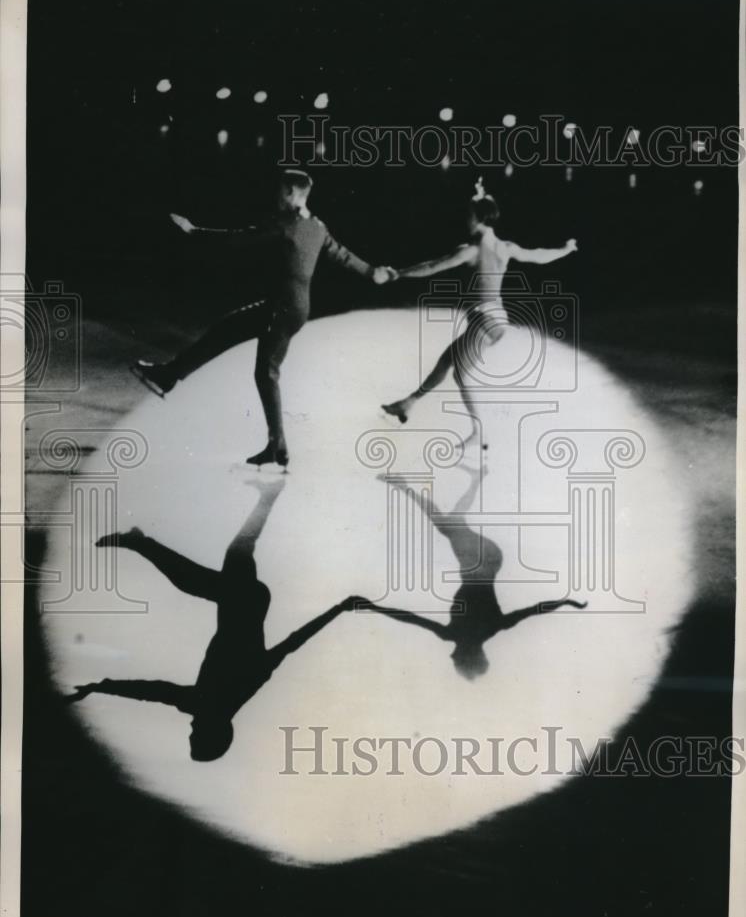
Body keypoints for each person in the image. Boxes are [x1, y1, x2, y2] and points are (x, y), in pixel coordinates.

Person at [66, 477, 358, 761]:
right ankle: (141, 542)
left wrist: (100, 687)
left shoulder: (205, 702)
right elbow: (294, 643)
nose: (191, 728)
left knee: (222, 560)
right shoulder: (231, 693)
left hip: (244, 601)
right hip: (246, 602)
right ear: (214, 730)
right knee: (217, 564)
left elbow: (151, 691)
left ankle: (266, 495)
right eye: (195, 734)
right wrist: (339, 608)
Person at [132, 169, 394, 468]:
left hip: (281, 308)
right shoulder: (317, 226)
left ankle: (276, 444)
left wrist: (194, 231)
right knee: (229, 332)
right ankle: (170, 376)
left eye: (281, 191)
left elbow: (240, 239)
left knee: (265, 371)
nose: (277, 196)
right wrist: (373, 272)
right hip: (294, 307)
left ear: (293, 193)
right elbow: (342, 254)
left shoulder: (286, 224)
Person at [382, 179, 578, 448]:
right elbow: (538, 255)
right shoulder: (505, 247)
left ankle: (479, 432)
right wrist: (566, 250)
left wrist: (398, 273)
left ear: (479, 218)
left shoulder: (471, 250)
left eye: (469, 216)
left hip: (485, 320)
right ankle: (408, 403)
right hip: (496, 318)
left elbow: (432, 266)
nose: (466, 221)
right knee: (447, 360)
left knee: (461, 374)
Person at [354, 468, 586, 679]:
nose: (450, 657)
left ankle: (469, 479)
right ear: (468, 656)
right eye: (457, 662)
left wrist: (565, 602)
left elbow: (409, 617)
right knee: (450, 525)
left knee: (450, 524)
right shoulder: (460, 632)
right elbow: (409, 617)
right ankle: (410, 486)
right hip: (482, 561)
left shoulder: (488, 628)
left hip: (485, 560)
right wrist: (564, 601)